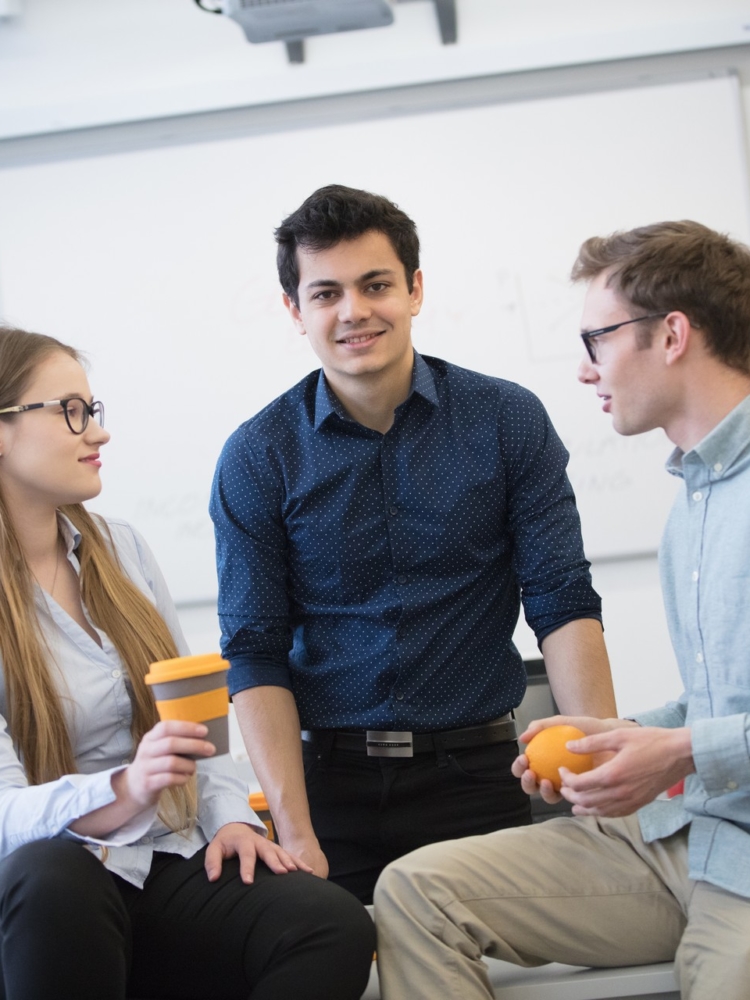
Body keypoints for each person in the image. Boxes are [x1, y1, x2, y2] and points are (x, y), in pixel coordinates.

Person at [374, 219, 750, 1000]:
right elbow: (723, 705)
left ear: (672, 334)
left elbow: (708, 736)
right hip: (689, 836)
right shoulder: (696, 503)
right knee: (416, 891)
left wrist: (681, 752)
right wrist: (628, 738)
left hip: (738, 864)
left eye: (597, 341)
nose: (586, 372)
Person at [209, 184, 616, 905]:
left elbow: (561, 600)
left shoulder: (506, 421)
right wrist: (296, 832)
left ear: (415, 289)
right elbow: (254, 649)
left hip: (478, 778)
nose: (354, 311)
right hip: (327, 793)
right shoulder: (257, 456)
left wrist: (600, 770)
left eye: (375, 285)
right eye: (326, 293)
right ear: (295, 310)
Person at [0, 325, 374, 1000]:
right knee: (52, 877)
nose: (98, 434)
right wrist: (127, 788)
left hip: (159, 857)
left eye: (94, 410)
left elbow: (194, 722)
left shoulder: (123, 550)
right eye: (71, 412)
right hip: (49, 892)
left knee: (331, 924)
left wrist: (230, 818)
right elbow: (3, 817)